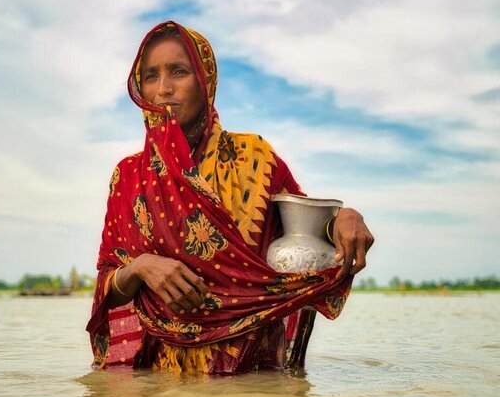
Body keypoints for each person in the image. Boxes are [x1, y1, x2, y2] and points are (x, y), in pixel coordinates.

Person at [86, 21, 374, 374]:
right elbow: (107, 289)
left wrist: (345, 218)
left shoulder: (254, 157)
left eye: (179, 72)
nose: (164, 89)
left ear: (206, 81)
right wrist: (142, 266)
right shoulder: (128, 176)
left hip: (256, 373)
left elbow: (306, 230)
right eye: (150, 76)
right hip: (165, 385)